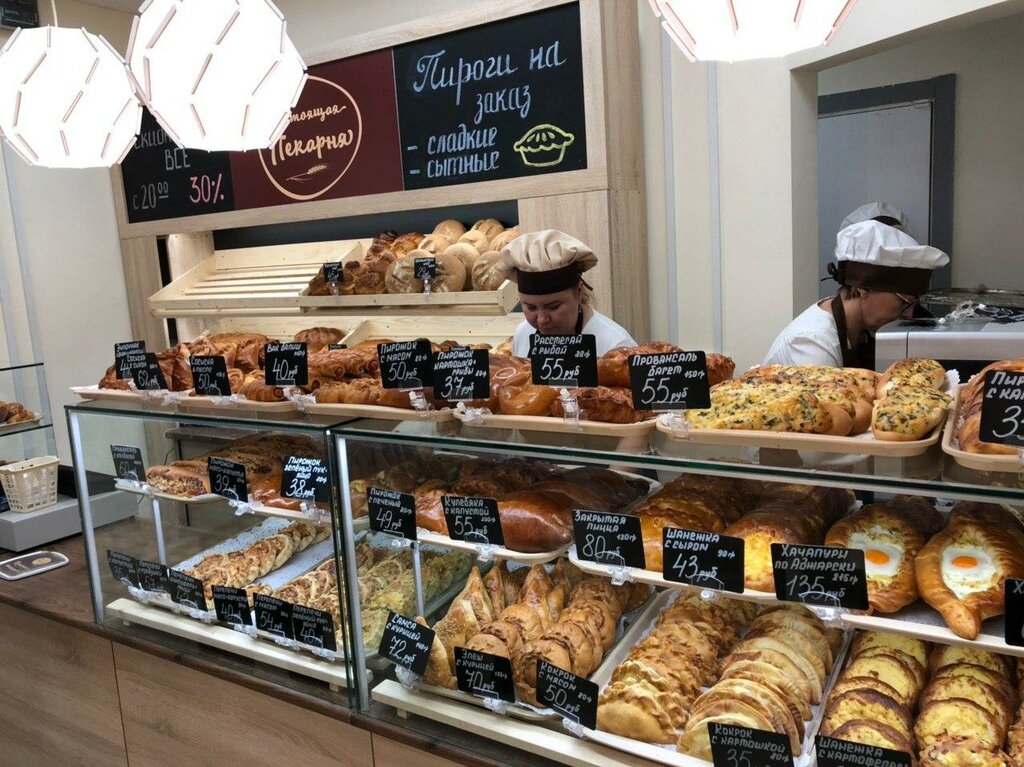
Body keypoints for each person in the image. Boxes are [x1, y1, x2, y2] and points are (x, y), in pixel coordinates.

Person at [764, 219, 949, 368]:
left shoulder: (862, 328)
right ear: (863, 289)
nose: (909, 314)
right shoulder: (812, 345)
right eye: (904, 302)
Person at [500, 229, 637, 357]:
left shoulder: (616, 345)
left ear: (578, 293)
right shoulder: (524, 334)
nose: (542, 320)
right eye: (531, 308)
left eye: (553, 307)